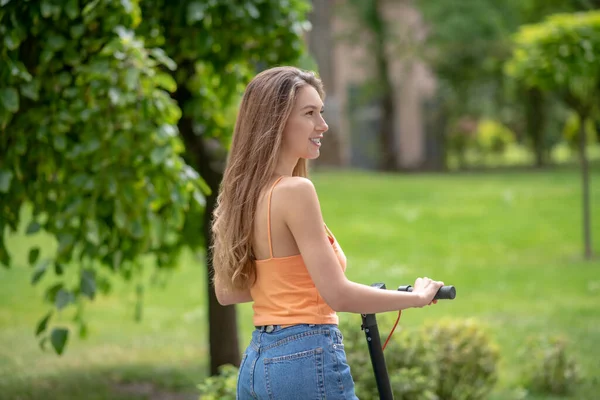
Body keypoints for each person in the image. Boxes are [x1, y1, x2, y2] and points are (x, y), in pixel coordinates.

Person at [211, 66, 444, 399]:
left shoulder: (245, 196)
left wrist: (295, 288)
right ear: (275, 122)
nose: (323, 125)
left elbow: (228, 291)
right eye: (309, 114)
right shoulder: (295, 191)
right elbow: (338, 295)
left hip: (258, 364)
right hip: (305, 358)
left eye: (321, 112)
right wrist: (416, 298)